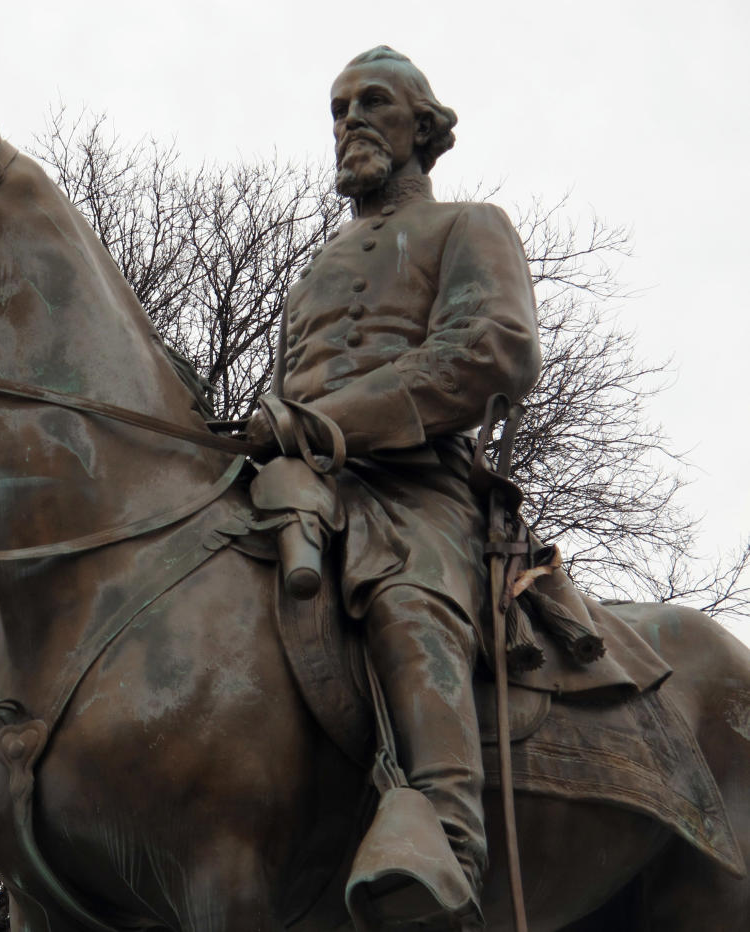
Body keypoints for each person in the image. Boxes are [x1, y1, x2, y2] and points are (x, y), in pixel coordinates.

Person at [248, 45, 541, 928]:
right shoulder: (309, 279)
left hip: (415, 491)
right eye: (336, 110)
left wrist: (328, 421)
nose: (349, 123)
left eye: (371, 103)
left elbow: (491, 351)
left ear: (423, 126)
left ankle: (447, 837)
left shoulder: (469, 227)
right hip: (302, 484)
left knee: (405, 595)